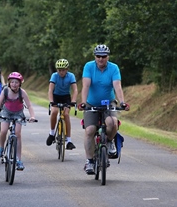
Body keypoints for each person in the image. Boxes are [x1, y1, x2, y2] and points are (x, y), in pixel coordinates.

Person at [78, 44, 130, 175]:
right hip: (91, 103)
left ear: (108, 57)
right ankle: (89, 161)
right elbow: (86, 86)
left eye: (104, 56)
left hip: (108, 103)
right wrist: (83, 102)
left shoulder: (114, 68)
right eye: (98, 56)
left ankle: (110, 140)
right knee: (90, 130)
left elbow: (117, 86)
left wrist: (122, 102)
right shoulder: (89, 67)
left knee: (112, 122)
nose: (101, 59)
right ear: (95, 57)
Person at [0, 72, 36, 171]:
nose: (14, 84)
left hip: (18, 113)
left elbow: (29, 105)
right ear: (9, 83)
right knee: (3, 130)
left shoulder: (22, 92)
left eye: (16, 82)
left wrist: (32, 116)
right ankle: (1, 148)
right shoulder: (5, 91)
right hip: (6, 112)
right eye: (12, 82)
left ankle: (19, 160)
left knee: (17, 134)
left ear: (20, 83)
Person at [46, 59, 78, 150]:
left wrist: (73, 101)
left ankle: (69, 140)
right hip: (56, 96)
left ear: (67, 69)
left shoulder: (71, 76)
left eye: (63, 70)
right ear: (57, 70)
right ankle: (52, 133)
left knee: (66, 114)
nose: (61, 72)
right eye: (59, 70)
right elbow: (50, 90)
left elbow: (75, 90)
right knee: (54, 112)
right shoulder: (54, 76)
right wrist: (52, 101)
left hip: (66, 97)